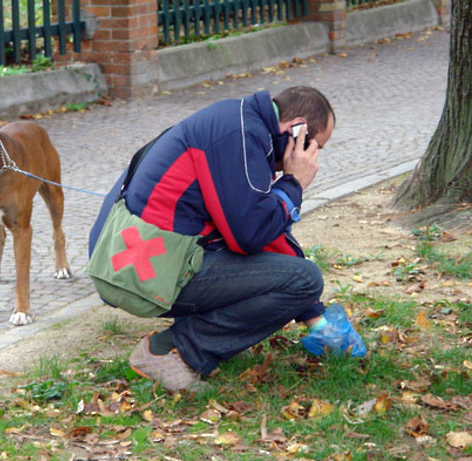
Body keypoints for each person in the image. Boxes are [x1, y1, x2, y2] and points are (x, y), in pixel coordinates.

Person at [88, 86, 365, 392]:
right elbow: (249, 237)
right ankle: (172, 350)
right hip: (139, 277)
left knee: (296, 280)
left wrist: (313, 313)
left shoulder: (240, 123)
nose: (313, 159)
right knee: (303, 280)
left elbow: (260, 231)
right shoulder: (240, 138)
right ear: (296, 130)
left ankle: (193, 338)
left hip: (127, 260)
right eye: (315, 147)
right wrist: (293, 183)